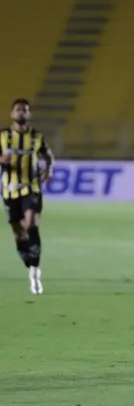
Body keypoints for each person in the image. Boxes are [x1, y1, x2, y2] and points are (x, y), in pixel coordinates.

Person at [0, 98, 54, 294]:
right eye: (18, 109)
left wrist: (49, 169)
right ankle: (30, 264)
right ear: (12, 114)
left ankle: (35, 271)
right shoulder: (3, 136)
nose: (21, 112)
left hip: (31, 188)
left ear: (29, 114)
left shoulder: (36, 137)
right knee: (18, 232)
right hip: (9, 190)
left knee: (31, 224)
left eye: (25, 109)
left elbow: (48, 155)